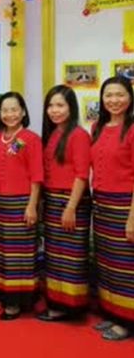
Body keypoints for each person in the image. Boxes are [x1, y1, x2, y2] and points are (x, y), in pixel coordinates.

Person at [38, 85, 91, 322]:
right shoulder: (53, 134)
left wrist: (71, 207)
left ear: (71, 108)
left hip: (71, 202)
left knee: (71, 258)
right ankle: (58, 304)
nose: (54, 110)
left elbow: (82, 175)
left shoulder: (79, 135)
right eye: (50, 106)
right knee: (55, 256)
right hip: (53, 200)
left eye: (60, 105)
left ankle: (73, 308)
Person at [0, 92, 42, 320]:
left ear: (22, 112)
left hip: (21, 203)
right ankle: (6, 295)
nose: (9, 114)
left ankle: (20, 301)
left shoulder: (30, 138)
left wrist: (32, 206)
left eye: (14, 109)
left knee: (20, 254)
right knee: (2, 252)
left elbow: (37, 176)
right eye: (5, 110)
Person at [90, 76, 134, 341]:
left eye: (120, 95)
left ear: (130, 98)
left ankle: (127, 321)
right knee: (107, 261)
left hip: (125, 204)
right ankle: (113, 312)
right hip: (101, 203)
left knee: (125, 265)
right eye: (109, 95)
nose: (114, 100)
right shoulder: (97, 126)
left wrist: (132, 218)